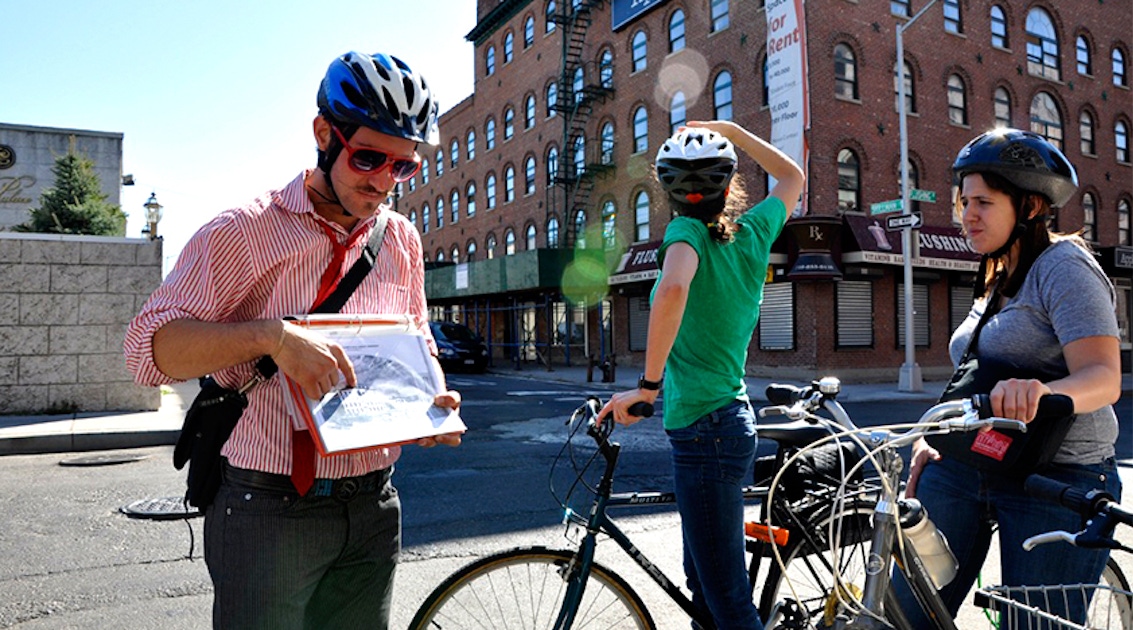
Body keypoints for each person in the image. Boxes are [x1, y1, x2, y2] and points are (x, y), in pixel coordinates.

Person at [123, 51, 461, 630]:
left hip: (375, 503)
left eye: (403, 167)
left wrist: (430, 401)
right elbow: (146, 352)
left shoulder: (402, 239)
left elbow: (418, 338)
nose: (384, 181)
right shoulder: (244, 232)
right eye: (368, 158)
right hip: (268, 507)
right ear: (324, 135)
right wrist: (274, 337)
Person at [899, 128, 1123, 626]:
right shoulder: (997, 273)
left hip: (1059, 474)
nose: (967, 214)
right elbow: (980, 369)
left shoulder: (1063, 267)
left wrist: (1042, 390)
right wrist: (931, 434)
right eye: (963, 201)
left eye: (983, 201)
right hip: (972, 460)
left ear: (1028, 208)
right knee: (908, 610)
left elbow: (1103, 377)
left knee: (1034, 623)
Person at [598, 120, 805, 629]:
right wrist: (732, 129)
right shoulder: (754, 232)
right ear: (731, 184)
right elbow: (793, 176)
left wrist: (647, 387)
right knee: (706, 587)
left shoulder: (684, 230)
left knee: (729, 601)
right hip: (725, 423)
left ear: (668, 189)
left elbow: (672, 290)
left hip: (705, 431)